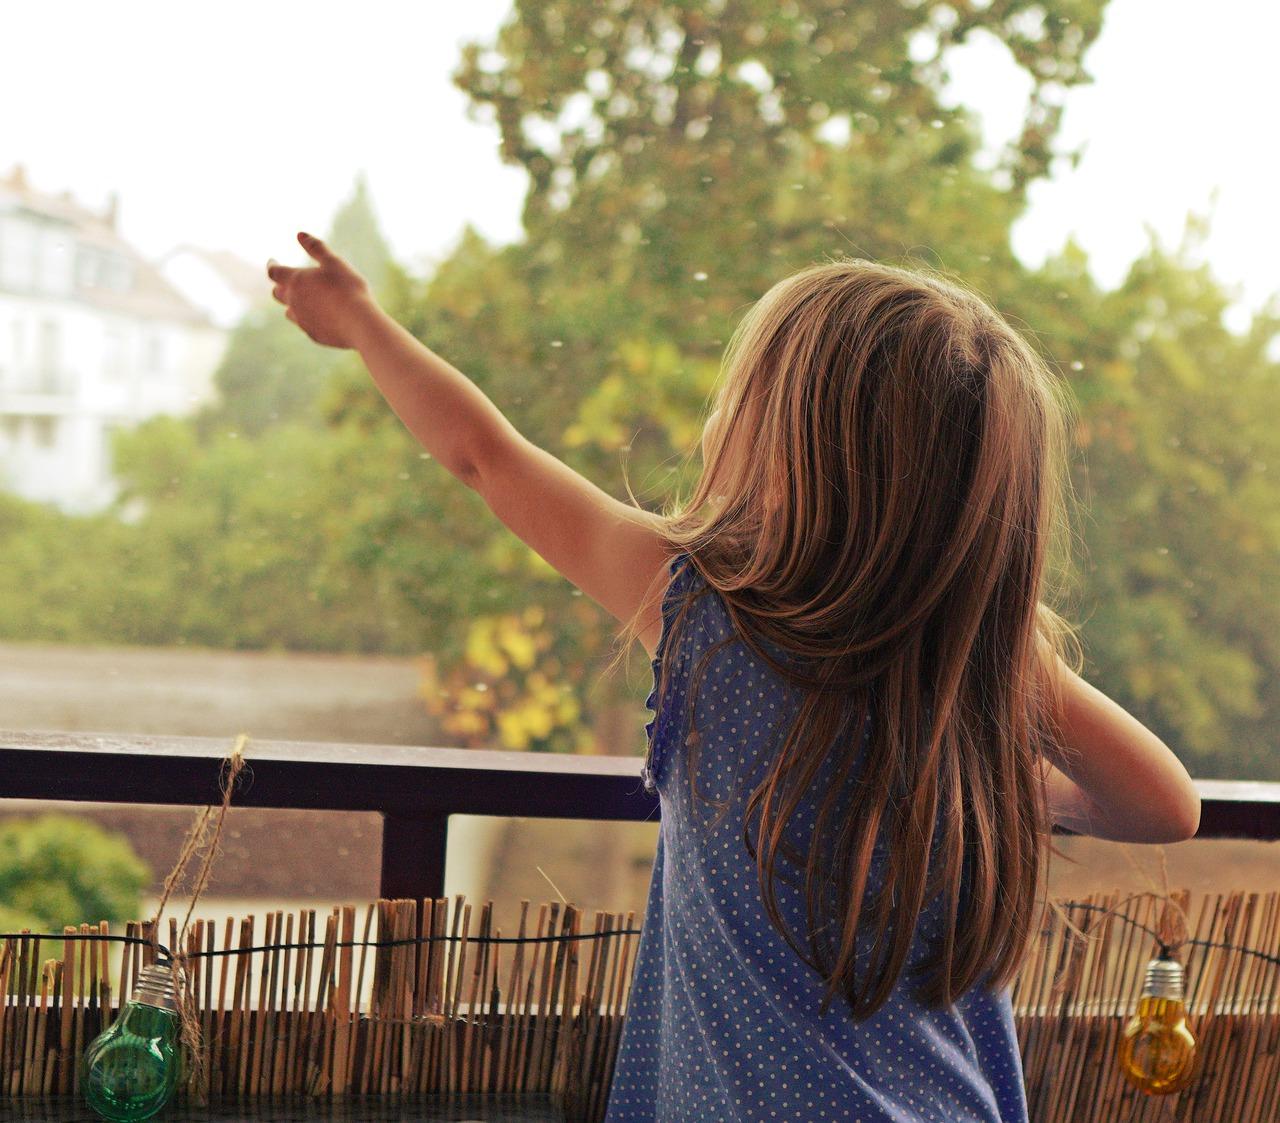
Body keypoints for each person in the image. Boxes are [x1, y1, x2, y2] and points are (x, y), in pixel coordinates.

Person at [266, 234, 1201, 1121]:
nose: (714, 419)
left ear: (800, 458)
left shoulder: (702, 614)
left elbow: (485, 457)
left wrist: (362, 325)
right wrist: (1008, 783)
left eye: (738, 398)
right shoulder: (980, 655)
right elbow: (1165, 804)